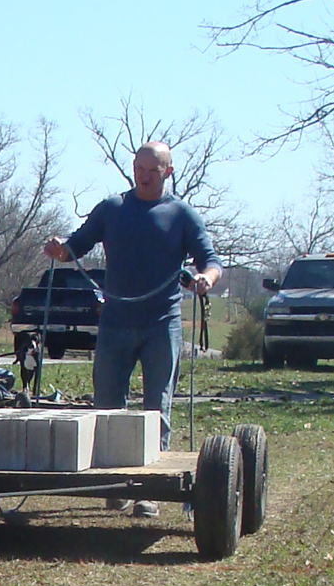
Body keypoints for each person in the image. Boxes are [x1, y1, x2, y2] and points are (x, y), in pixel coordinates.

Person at [43, 141, 222, 518]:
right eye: (139, 169)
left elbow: (210, 260)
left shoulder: (182, 215)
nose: (143, 176)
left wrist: (205, 278)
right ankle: (114, 486)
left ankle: (149, 490)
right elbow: (76, 245)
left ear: (168, 173)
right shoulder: (113, 209)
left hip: (162, 323)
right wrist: (60, 249)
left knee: (157, 407)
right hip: (116, 322)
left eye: (152, 171)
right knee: (107, 405)